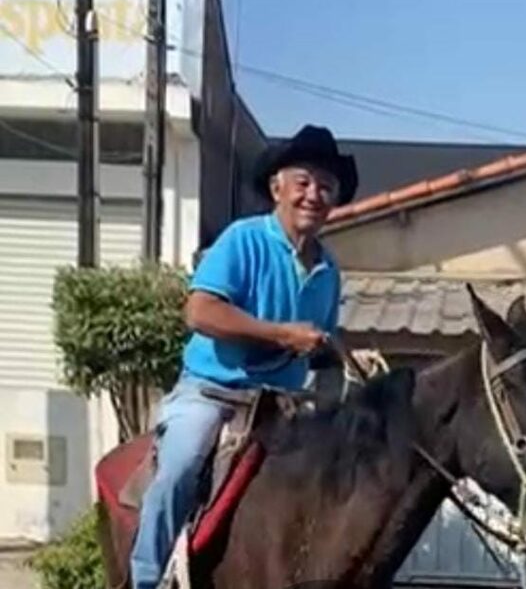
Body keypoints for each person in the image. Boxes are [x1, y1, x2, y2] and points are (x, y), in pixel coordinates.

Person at [130, 125, 358, 589]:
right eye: (303, 182)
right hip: (213, 394)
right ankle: (145, 579)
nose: (314, 195)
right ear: (277, 188)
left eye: (326, 186)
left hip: (283, 404)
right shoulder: (242, 239)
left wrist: (341, 356)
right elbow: (200, 311)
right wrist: (283, 335)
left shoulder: (329, 269)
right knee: (180, 468)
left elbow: (316, 344)